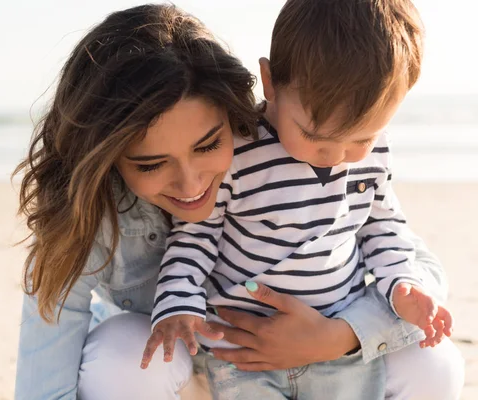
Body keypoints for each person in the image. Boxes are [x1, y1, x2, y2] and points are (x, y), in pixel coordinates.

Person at [13, 4, 464, 400]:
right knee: (127, 354)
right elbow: (49, 342)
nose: (191, 184)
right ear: (109, 157)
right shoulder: (100, 212)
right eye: (151, 165)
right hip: (207, 363)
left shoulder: (332, 148)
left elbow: (404, 249)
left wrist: (340, 337)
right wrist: (177, 309)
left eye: (209, 145)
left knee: (435, 360)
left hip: (322, 349)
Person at [141, 1, 455, 398]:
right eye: (314, 135)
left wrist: (402, 283)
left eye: (361, 138)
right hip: (242, 351)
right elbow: (195, 238)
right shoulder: (238, 150)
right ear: (269, 82)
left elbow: (382, 227)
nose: (336, 156)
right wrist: (178, 304)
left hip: (336, 345)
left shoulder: (376, 154)